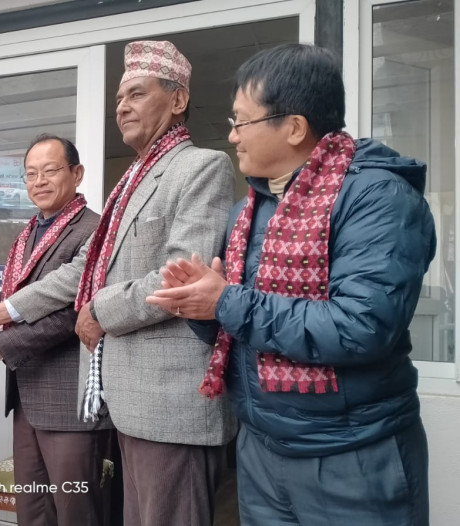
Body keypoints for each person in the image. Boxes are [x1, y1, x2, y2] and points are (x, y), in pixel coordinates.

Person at [147, 43, 435, 525]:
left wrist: (226, 301)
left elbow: (361, 327)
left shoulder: (378, 198)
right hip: (262, 448)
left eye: (242, 121)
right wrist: (199, 304)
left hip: (352, 454)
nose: (233, 136)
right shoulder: (249, 210)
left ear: (295, 127)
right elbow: (241, 327)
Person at [0, 41, 236, 525]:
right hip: (128, 400)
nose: (123, 107)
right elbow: (82, 272)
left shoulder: (201, 166)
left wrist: (97, 311)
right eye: (119, 99)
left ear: (177, 99)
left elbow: (180, 277)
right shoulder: (131, 181)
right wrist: (3, 309)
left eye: (137, 94)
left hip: (168, 402)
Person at [0, 134, 112, 526]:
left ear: (77, 173)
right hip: (28, 398)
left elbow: (72, 314)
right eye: (31, 174)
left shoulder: (94, 231)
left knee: (75, 512)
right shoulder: (30, 232)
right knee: (33, 512)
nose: (39, 181)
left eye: (50, 170)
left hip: (69, 403)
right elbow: (21, 303)